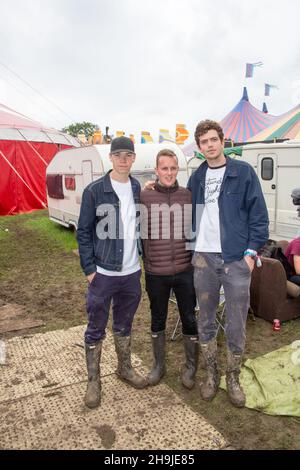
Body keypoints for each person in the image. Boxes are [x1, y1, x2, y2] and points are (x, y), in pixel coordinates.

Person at [187, 120, 269, 408]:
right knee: (205, 318)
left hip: (235, 259)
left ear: (222, 141)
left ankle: (232, 378)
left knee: (236, 322)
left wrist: (250, 254)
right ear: (199, 147)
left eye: (213, 139)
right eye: (203, 142)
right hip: (204, 259)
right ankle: (211, 374)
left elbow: (259, 217)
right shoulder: (196, 178)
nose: (209, 145)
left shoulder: (243, 172)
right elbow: (187, 213)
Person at [77, 136, 148, 409]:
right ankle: (93, 381)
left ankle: (124, 368)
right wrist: (89, 270)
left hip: (131, 273)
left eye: (127, 155)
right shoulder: (94, 191)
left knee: (124, 324)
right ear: (110, 158)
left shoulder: (136, 187)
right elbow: (83, 231)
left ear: (133, 158)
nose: (122, 159)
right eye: (117, 154)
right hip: (103, 274)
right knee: (96, 327)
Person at [140, 149, 198, 389]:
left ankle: (191, 367)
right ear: (156, 170)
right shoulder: (144, 196)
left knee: (189, 318)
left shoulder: (187, 195)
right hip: (156, 271)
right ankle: (158, 366)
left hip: (185, 269)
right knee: (158, 318)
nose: (169, 172)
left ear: (178, 170)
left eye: (173, 168)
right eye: (164, 168)